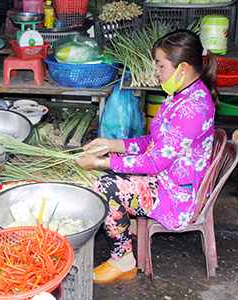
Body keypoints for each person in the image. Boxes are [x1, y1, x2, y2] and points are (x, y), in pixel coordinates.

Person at [76, 29, 220, 284]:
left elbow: (155, 162)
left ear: (183, 67)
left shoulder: (193, 108)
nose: (156, 70)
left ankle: (123, 261)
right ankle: (121, 222)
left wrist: (100, 162)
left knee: (106, 186)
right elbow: (154, 142)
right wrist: (113, 144)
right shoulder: (180, 94)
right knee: (110, 164)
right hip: (167, 175)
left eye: (160, 64)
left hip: (178, 191)